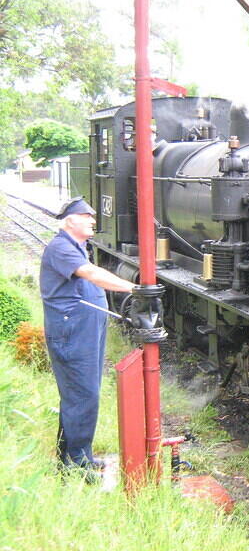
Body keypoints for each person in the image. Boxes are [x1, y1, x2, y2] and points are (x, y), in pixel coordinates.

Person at [39, 197, 135, 480]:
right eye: (87, 216)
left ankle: (75, 456)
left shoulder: (76, 246)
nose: (93, 220)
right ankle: (76, 464)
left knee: (82, 393)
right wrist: (135, 288)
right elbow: (91, 274)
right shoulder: (61, 248)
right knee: (82, 394)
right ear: (70, 221)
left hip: (83, 330)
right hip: (72, 333)